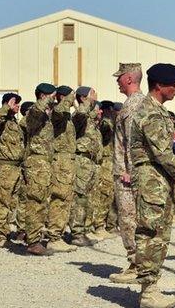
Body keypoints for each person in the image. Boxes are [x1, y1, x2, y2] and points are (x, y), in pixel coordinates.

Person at [130, 63, 175, 308]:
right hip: (151, 181)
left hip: (159, 181)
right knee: (151, 233)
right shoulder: (149, 112)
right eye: (173, 85)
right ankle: (148, 293)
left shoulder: (159, 111)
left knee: (160, 234)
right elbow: (162, 153)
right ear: (159, 86)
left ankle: (152, 288)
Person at [110, 63, 147, 283]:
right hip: (129, 171)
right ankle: (139, 263)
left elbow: (134, 141)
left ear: (130, 79)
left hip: (127, 174)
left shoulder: (133, 105)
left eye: (120, 77)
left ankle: (136, 266)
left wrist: (129, 171)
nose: (117, 81)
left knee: (129, 219)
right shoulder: (136, 103)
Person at [23, 83, 57, 256]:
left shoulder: (47, 116)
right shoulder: (33, 113)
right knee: (35, 202)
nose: (55, 99)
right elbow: (36, 110)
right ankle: (33, 241)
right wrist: (46, 101)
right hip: (36, 164)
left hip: (45, 164)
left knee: (42, 202)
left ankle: (35, 237)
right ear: (43, 96)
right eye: (52, 95)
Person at [46, 85, 78, 252]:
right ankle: (53, 236)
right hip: (60, 160)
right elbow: (58, 112)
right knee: (59, 197)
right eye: (71, 96)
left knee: (66, 198)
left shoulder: (67, 116)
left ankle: (58, 233)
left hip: (68, 161)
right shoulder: (57, 112)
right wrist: (67, 100)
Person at [0, 93, 26, 248]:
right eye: (15, 103)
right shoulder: (2, 121)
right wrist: (7, 105)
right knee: (2, 201)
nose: (18, 106)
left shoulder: (14, 122)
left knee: (12, 202)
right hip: (6, 167)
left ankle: (7, 233)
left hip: (16, 167)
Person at [69, 86, 102, 246]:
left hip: (91, 162)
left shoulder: (91, 118)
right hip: (82, 161)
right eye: (91, 95)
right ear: (83, 98)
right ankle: (76, 233)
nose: (95, 97)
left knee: (88, 198)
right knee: (80, 197)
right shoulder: (79, 115)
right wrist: (88, 102)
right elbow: (80, 114)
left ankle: (85, 229)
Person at [88, 100, 119, 240]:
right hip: (104, 162)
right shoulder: (105, 123)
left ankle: (107, 225)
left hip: (111, 161)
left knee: (109, 195)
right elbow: (106, 126)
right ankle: (99, 225)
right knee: (102, 194)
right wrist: (108, 117)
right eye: (109, 110)